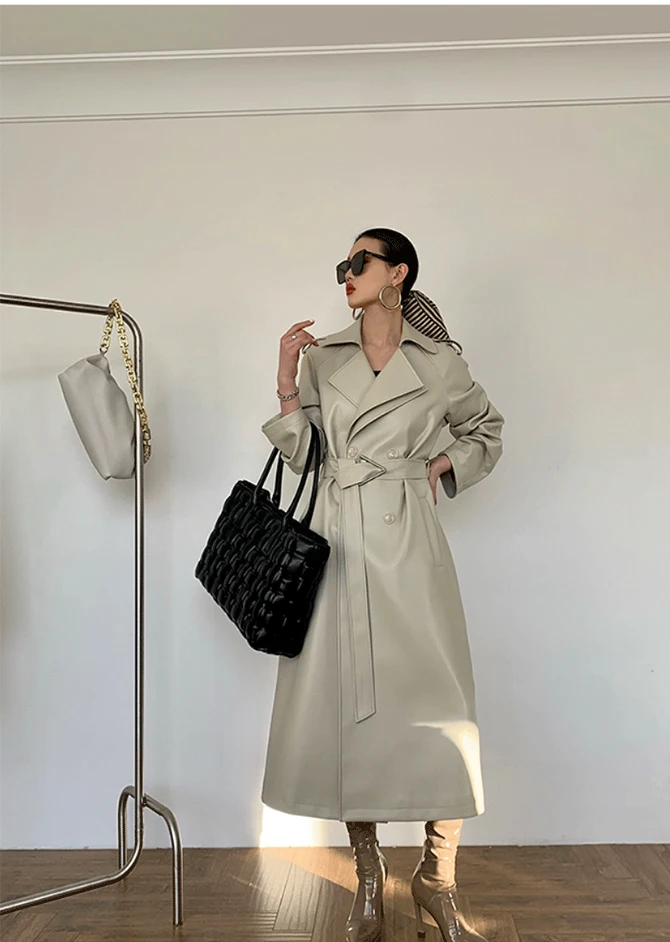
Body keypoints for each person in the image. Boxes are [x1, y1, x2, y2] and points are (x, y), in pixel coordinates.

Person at [260, 228, 505, 942]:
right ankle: (368, 877)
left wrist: (441, 466)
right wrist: (286, 380)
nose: (347, 273)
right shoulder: (323, 357)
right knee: (352, 710)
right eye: (343, 265)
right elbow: (305, 457)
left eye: (360, 262)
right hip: (340, 543)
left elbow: (486, 430)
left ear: (397, 274)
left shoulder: (439, 362)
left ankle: (437, 877)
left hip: (410, 546)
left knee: (441, 706)